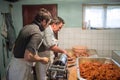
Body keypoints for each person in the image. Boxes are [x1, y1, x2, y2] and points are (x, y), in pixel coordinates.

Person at [7, 8, 52, 80]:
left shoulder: (26, 27)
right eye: (48, 23)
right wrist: (42, 59)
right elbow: (28, 56)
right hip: (22, 68)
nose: (47, 26)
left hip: (14, 64)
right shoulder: (37, 33)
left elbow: (14, 46)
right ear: (44, 22)